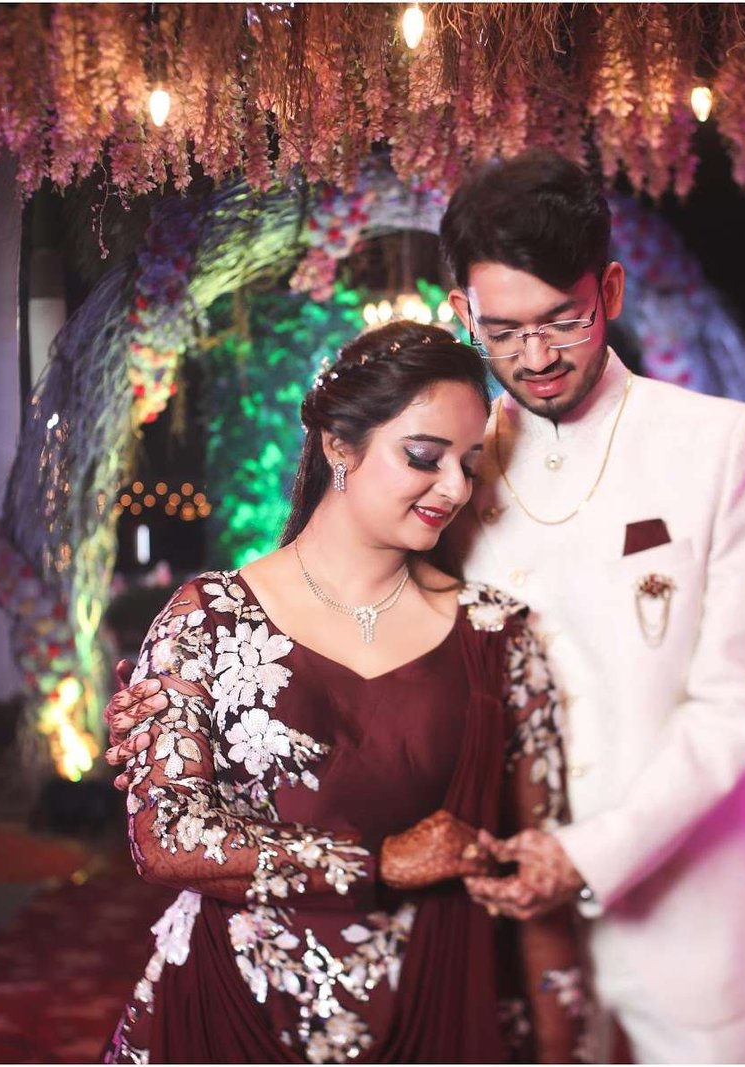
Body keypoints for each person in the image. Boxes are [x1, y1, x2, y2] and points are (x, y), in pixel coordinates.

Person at [107, 151, 745, 1062]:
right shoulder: (452, 448)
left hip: (685, 916)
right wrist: (173, 706)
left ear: (610, 291)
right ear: (463, 312)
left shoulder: (714, 443)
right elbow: (348, 614)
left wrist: (588, 853)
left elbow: (741, 696)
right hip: (484, 927)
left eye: (563, 320)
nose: (537, 356)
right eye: (504, 330)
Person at [101, 321, 583, 1065]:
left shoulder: (495, 635)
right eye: (423, 457)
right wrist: (375, 861)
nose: (455, 488)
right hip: (231, 1014)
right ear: (338, 446)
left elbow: (535, 875)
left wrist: (564, 1046)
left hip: (440, 1011)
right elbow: (164, 838)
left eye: (468, 463)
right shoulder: (209, 619)